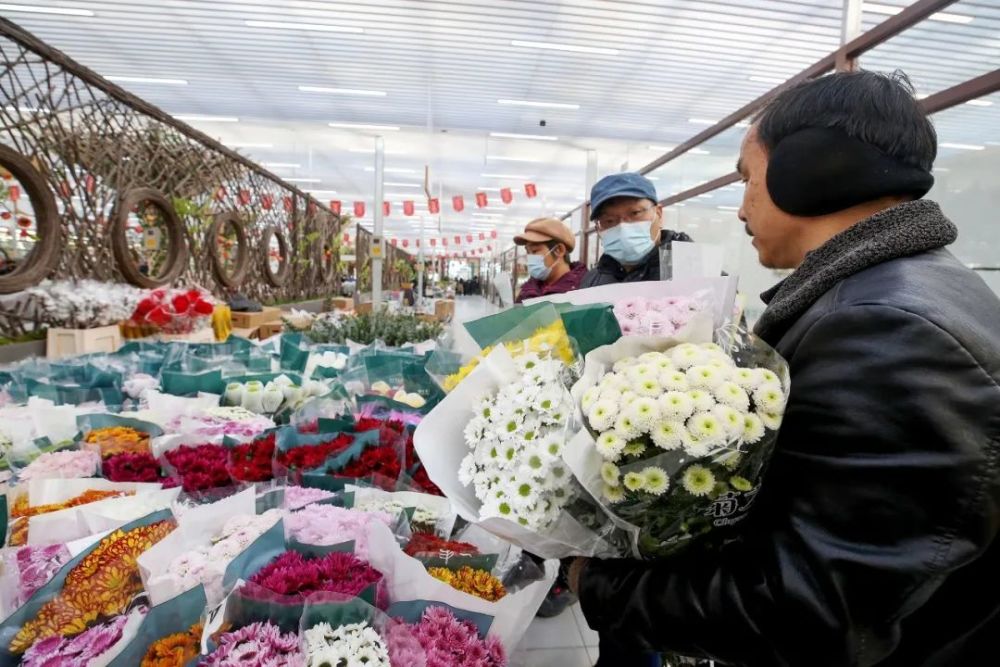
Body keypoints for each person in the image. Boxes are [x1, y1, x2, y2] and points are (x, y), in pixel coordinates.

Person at [566, 70, 1000, 666]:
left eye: (749, 175)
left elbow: (813, 605)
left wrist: (598, 584)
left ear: (810, 166)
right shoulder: (897, 292)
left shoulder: (888, 329)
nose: (742, 202)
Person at [580, 172, 691, 288]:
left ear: (658, 213)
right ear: (598, 229)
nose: (623, 228)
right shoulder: (592, 281)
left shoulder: (690, 270)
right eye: (609, 220)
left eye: (635, 213)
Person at [513, 217, 587, 303]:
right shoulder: (527, 290)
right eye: (528, 252)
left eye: (534, 251)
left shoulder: (584, 289)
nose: (529, 258)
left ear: (559, 250)